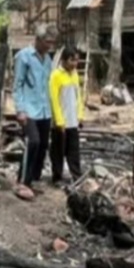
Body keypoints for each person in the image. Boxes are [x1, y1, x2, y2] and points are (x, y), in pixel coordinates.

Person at [13, 23, 58, 196]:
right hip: (29, 109)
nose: (49, 45)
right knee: (33, 142)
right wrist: (20, 110)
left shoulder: (47, 59)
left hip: (44, 109)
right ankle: (22, 181)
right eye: (47, 41)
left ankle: (33, 180)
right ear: (38, 39)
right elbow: (17, 85)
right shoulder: (24, 57)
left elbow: (47, 86)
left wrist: (52, 112)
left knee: (43, 145)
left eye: (52, 42)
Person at [49, 47, 84, 184]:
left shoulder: (74, 74)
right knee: (58, 151)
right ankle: (57, 176)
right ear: (64, 60)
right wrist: (59, 121)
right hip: (61, 122)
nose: (75, 63)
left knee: (74, 150)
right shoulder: (55, 75)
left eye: (76, 60)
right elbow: (54, 99)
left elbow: (78, 96)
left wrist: (80, 115)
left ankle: (77, 176)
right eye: (72, 60)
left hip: (73, 120)